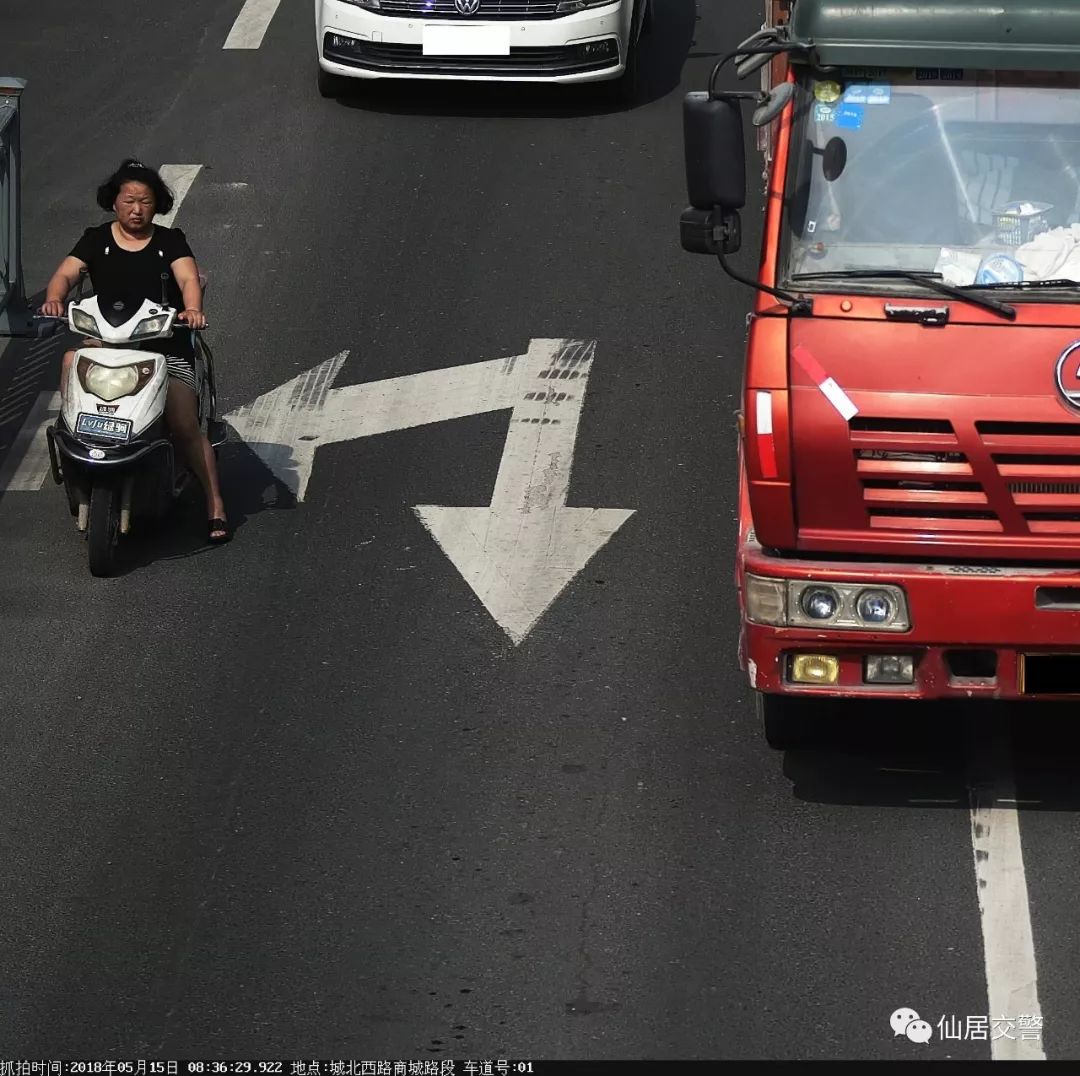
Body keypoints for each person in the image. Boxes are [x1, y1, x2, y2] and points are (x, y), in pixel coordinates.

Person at [41, 159, 229, 543]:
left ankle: (215, 505)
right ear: (115, 202)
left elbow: (188, 277)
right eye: (129, 201)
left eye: (145, 201)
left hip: (165, 348)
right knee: (69, 361)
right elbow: (65, 274)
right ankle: (74, 442)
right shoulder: (96, 240)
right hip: (107, 344)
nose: (137, 209)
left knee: (182, 420)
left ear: (155, 204)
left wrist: (192, 309)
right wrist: (54, 300)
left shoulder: (170, 241)